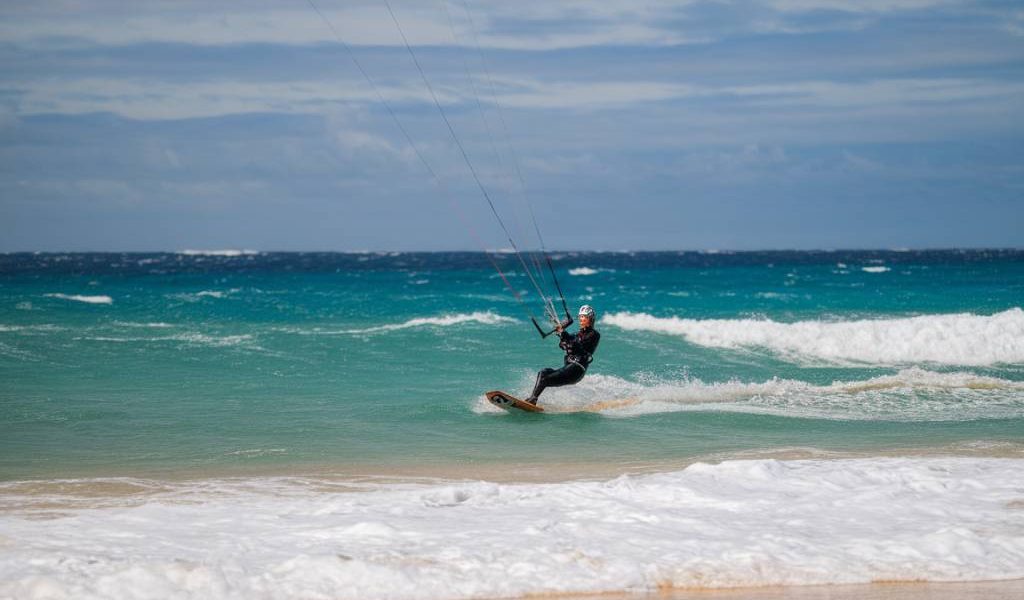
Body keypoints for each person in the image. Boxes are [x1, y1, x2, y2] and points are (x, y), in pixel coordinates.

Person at [525, 304, 600, 405]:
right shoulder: (576, 335)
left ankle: (533, 399)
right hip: (569, 366)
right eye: (580, 317)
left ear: (590, 319)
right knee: (543, 373)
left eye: (585, 317)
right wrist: (561, 335)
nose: (581, 319)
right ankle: (533, 398)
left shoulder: (594, 335)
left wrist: (564, 334)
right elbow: (564, 345)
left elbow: (577, 346)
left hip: (577, 369)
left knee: (545, 379)